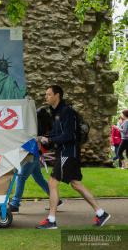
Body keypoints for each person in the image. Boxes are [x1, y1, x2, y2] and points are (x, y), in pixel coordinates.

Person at [36, 85, 110, 229]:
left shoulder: (67, 112)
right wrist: (44, 138)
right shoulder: (56, 113)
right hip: (66, 153)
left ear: (57, 95)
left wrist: (49, 140)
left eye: (49, 94)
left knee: (52, 183)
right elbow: (57, 134)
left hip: (68, 153)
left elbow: (69, 135)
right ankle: (101, 213)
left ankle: (51, 220)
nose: (46, 97)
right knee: (76, 184)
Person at [9, 106, 63, 212]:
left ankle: (15, 203)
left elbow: (33, 139)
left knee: (21, 177)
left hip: (31, 154)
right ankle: (56, 199)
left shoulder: (35, 126)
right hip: (35, 154)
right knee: (38, 178)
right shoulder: (42, 126)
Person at [0, 31, 26, 100]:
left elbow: (18, 93)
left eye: (5, 63)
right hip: (2, 98)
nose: (4, 64)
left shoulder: (11, 79)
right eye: (2, 63)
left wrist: (23, 91)